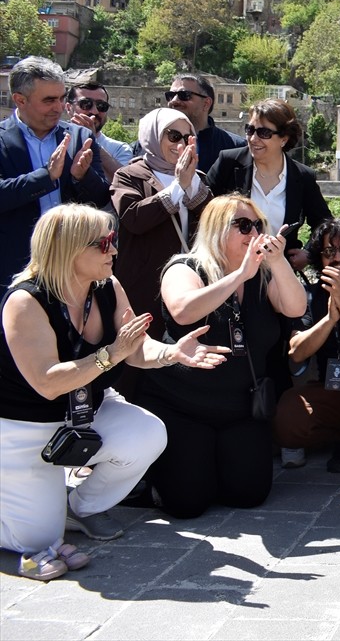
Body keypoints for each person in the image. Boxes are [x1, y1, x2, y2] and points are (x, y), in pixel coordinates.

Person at [0, 204, 226, 580]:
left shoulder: (108, 287)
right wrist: (111, 355)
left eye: (113, 240)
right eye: (104, 243)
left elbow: (136, 348)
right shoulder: (25, 301)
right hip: (24, 426)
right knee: (38, 540)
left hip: (89, 410)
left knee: (148, 433)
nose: (114, 250)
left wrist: (171, 353)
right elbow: (48, 382)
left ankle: (80, 508)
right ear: (70, 248)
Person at [133, 195, 306, 518]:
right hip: (182, 404)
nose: (252, 233)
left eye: (258, 225)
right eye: (242, 225)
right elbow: (183, 311)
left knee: (248, 495)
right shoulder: (184, 267)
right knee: (188, 504)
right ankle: (157, 480)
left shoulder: (263, 274)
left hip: (240, 407)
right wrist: (238, 275)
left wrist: (278, 262)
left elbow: (295, 307)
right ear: (215, 230)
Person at [276, 219, 340, 475]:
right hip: (333, 387)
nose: (338, 258)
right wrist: (329, 320)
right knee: (287, 420)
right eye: (329, 252)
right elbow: (297, 352)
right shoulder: (311, 294)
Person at [0, 56, 109, 289]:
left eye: (61, 98)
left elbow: (101, 199)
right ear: (20, 100)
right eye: (49, 100)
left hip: (73, 269)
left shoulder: (81, 137)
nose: (59, 107)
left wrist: (82, 176)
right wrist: (46, 176)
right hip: (14, 269)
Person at [111, 108, 213, 344]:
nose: (180, 145)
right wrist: (178, 186)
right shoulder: (129, 176)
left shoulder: (199, 178)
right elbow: (134, 219)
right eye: (173, 136)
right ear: (153, 136)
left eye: (187, 138)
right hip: (145, 284)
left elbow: (215, 222)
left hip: (190, 285)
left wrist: (192, 186)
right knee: (141, 353)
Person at [207, 98, 331, 272]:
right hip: (229, 270)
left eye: (263, 133)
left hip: (277, 275)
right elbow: (203, 211)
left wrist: (309, 253)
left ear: (284, 139)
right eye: (250, 130)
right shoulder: (228, 163)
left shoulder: (302, 177)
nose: (253, 138)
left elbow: (324, 222)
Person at [161, 74, 245, 172]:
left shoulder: (235, 148)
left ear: (206, 103)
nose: (174, 101)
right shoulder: (148, 145)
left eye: (184, 95)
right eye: (170, 95)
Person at [66, 81, 132, 180]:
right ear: (68, 108)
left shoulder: (120, 149)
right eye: (86, 104)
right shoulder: (53, 140)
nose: (94, 111)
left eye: (101, 106)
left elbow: (126, 182)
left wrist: (92, 142)